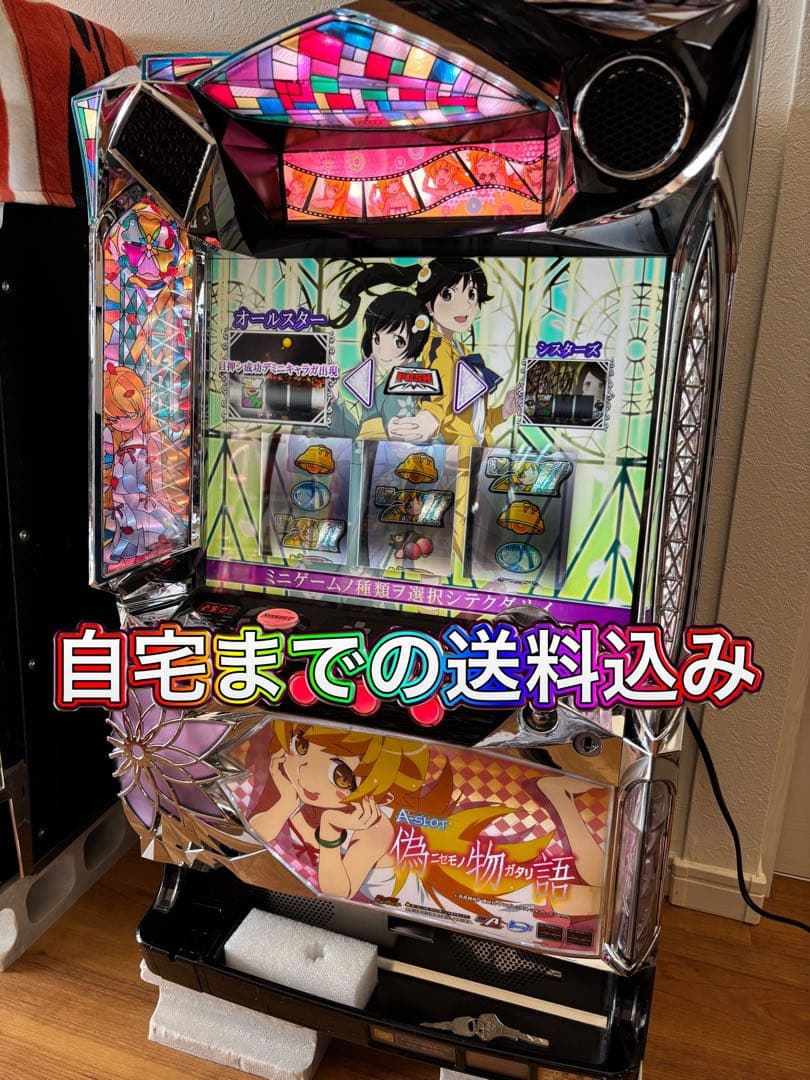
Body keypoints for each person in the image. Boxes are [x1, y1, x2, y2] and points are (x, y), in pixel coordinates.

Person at [248, 722, 603, 916]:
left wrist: (326, 830)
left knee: (599, 898)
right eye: (302, 747)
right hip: (444, 893)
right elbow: (257, 840)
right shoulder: (331, 811)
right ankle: (560, 798)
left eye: (340, 776)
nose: (305, 772)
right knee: (597, 895)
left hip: (452, 897)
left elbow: (337, 889)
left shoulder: (373, 827)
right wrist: (286, 803)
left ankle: (560, 799)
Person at [102, 365, 185, 567]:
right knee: (126, 528)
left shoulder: (148, 439)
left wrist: (154, 495)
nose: (120, 423)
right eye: (113, 419)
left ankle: (136, 553)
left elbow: (156, 474)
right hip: (123, 497)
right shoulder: (116, 438)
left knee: (136, 528)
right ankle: (128, 553)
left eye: (127, 416)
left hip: (138, 497)